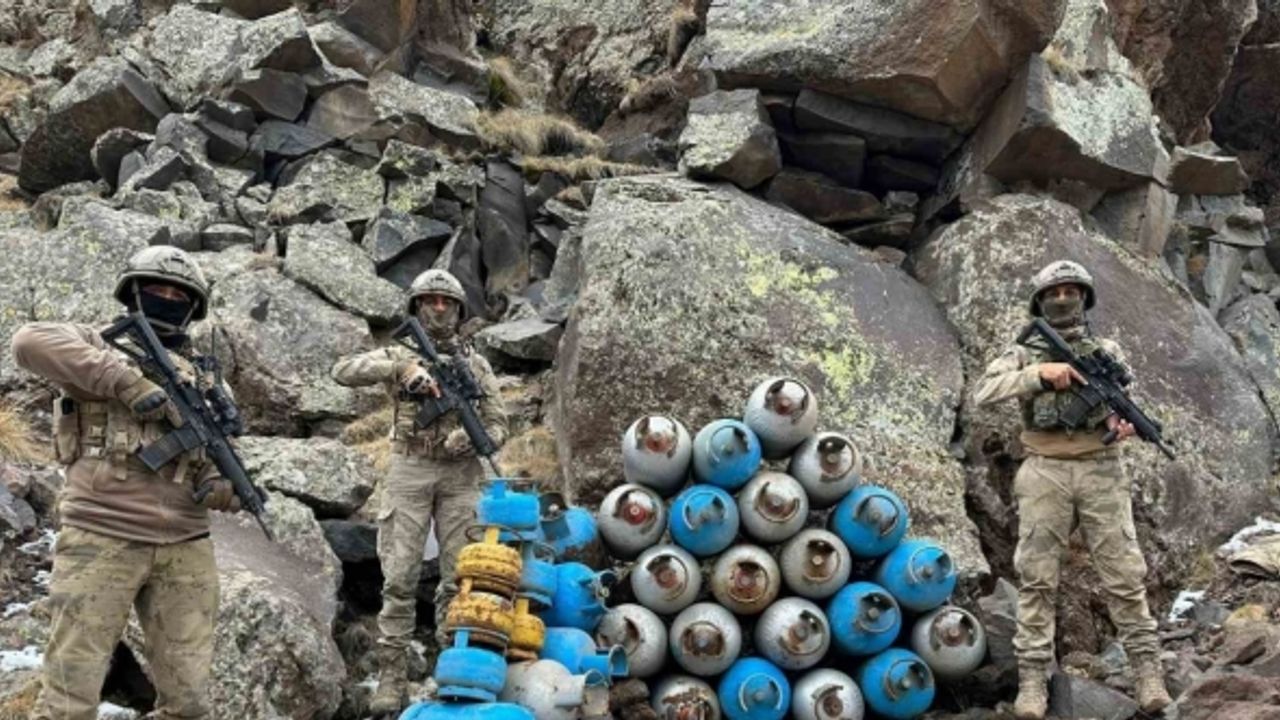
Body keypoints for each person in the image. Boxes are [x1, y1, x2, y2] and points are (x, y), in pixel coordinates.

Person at [11, 246, 242, 720]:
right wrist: (125, 381)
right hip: (102, 534)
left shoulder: (206, 379)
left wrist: (222, 480)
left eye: (178, 293)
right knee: (68, 702)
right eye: (155, 288)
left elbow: (223, 449)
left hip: (186, 544)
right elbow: (27, 342)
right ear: (132, 292)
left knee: (191, 703)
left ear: (193, 306)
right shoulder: (95, 344)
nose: (166, 298)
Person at [973, 260, 1173, 720]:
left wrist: (1118, 425)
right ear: (1040, 302)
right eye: (1054, 292)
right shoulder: (1025, 351)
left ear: (1085, 298)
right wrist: (1041, 375)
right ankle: (1032, 683)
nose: (1064, 299)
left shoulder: (1106, 350)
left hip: (1101, 468)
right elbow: (985, 391)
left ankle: (1148, 674)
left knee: (1124, 576)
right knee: (1037, 578)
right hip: (1045, 469)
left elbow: (1121, 396)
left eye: (1072, 291)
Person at [332, 268, 507, 716]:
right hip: (410, 469)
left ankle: (455, 666)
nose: (439, 307)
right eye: (429, 300)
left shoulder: (476, 364)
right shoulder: (400, 353)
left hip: (460, 476)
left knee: (461, 576)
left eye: (447, 301)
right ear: (416, 306)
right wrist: (401, 368)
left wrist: (471, 438)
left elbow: (499, 423)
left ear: (460, 309)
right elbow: (344, 371)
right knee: (400, 577)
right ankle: (392, 678)